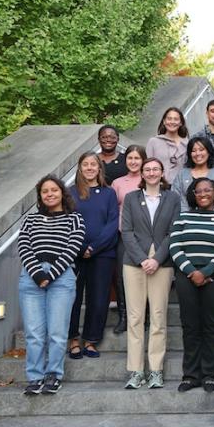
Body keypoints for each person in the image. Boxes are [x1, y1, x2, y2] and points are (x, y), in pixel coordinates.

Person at [17, 175, 85, 395]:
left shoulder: (74, 219)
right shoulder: (30, 220)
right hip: (30, 277)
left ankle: (53, 375)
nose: (49, 194)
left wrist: (51, 274)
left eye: (53, 190)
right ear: (40, 196)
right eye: (44, 191)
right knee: (34, 333)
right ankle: (35, 376)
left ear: (62, 193)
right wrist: (37, 274)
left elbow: (72, 248)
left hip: (62, 278)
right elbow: (24, 246)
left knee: (57, 332)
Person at [169, 177, 214, 393]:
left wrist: (206, 272)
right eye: (198, 191)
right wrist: (192, 272)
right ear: (193, 195)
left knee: (211, 325)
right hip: (186, 277)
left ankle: (209, 374)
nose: (203, 194)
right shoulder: (183, 217)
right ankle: (191, 375)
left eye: (208, 190)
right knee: (190, 326)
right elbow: (175, 246)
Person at [120, 158, 181, 390]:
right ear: (142, 174)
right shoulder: (131, 198)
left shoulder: (172, 198)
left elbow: (173, 231)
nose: (152, 173)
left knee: (158, 317)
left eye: (156, 169)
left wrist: (156, 259)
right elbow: (126, 231)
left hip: (162, 263)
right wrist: (142, 259)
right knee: (135, 318)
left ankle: (155, 370)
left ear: (162, 172)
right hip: (134, 262)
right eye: (148, 170)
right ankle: (136, 371)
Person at [67, 152, 119, 360]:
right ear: (80, 168)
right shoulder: (70, 193)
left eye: (93, 164)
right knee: (73, 298)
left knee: (98, 298)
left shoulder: (109, 193)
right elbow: (67, 223)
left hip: (103, 254)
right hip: (74, 254)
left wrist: (94, 247)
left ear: (99, 168)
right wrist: (81, 248)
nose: (89, 168)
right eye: (85, 164)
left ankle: (90, 340)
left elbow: (112, 222)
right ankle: (72, 339)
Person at [110, 144, 147, 335]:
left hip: (147, 236)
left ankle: (145, 316)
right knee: (122, 276)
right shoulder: (118, 183)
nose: (133, 162)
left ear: (143, 160)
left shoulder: (149, 178)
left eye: (137, 158)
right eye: (130, 158)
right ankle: (125, 315)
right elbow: (114, 209)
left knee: (147, 276)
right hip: (124, 236)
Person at [173, 137, 214, 212]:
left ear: (208, 152)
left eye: (201, 150)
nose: (198, 153)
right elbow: (176, 197)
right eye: (193, 151)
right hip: (185, 217)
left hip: (213, 217)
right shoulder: (182, 174)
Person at [146, 106, 189, 184]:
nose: (172, 122)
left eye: (176, 119)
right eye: (169, 119)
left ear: (181, 123)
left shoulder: (187, 143)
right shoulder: (153, 142)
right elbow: (147, 165)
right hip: (158, 186)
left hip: (181, 187)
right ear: (164, 121)